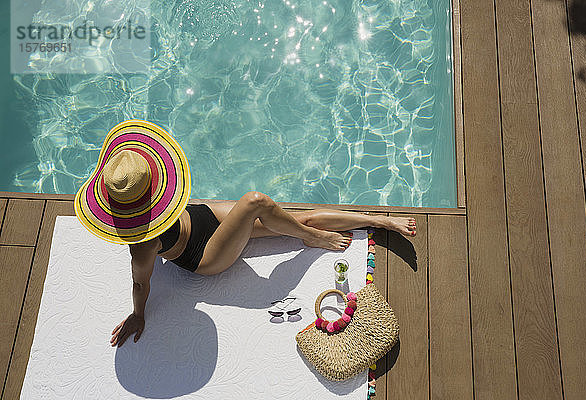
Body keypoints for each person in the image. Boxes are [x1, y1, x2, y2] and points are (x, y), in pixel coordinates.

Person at [73, 120, 417, 349]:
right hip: (205, 254)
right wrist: (138, 313)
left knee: (298, 216)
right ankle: (309, 237)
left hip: (201, 217)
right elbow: (140, 283)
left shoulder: (156, 192)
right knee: (256, 202)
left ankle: (380, 221)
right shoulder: (142, 244)